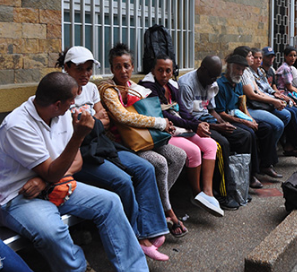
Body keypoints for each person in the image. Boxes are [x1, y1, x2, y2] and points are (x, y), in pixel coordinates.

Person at [0, 72, 149, 272]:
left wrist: (45, 181)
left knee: (110, 202)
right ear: (58, 104)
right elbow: (53, 171)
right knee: (51, 232)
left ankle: (134, 269)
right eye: (71, 102)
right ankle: (78, 268)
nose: (74, 106)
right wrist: (78, 136)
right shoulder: (17, 126)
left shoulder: (59, 114)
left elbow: (76, 162)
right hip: (19, 195)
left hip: (54, 182)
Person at [57, 46, 173, 261]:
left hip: (102, 144)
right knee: (123, 180)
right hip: (80, 151)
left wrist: (90, 122)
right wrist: (94, 121)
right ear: (67, 68)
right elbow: (70, 130)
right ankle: (135, 238)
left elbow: (105, 120)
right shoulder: (61, 91)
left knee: (146, 168)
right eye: (80, 69)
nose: (85, 74)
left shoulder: (91, 89)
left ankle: (152, 230)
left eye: (89, 69)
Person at [98, 43, 192, 236]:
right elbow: (123, 117)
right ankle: (168, 211)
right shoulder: (108, 90)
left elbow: (151, 111)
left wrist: (166, 124)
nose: (123, 71)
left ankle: (156, 206)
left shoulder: (137, 88)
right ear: (111, 68)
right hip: (125, 144)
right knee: (159, 162)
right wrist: (159, 122)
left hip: (146, 138)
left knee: (179, 155)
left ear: (133, 67)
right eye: (118, 66)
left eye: (127, 66)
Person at [139, 55, 224, 217]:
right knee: (192, 151)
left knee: (211, 144)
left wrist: (197, 123)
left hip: (181, 128)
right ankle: (196, 193)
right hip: (165, 131)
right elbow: (163, 114)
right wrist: (194, 125)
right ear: (153, 70)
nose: (164, 74)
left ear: (173, 72)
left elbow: (183, 111)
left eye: (168, 71)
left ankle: (207, 193)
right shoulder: (147, 87)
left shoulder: (173, 86)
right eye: (160, 70)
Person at [178, 55, 257, 192]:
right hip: (195, 124)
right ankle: (222, 190)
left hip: (209, 120)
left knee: (244, 135)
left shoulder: (211, 81)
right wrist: (217, 127)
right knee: (222, 143)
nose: (214, 81)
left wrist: (223, 123)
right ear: (202, 70)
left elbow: (212, 110)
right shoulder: (186, 84)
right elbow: (186, 118)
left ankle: (243, 180)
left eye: (216, 77)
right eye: (212, 77)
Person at [215, 54, 281, 181]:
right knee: (248, 133)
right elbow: (221, 114)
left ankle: (266, 165)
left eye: (242, 70)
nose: (240, 73)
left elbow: (242, 104)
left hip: (239, 115)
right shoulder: (220, 84)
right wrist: (245, 122)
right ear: (229, 68)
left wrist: (251, 119)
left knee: (266, 128)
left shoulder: (238, 82)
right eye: (237, 69)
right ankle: (251, 174)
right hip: (227, 119)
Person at [234, 46, 287, 178]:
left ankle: (267, 156)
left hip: (254, 104)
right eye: (251, 56)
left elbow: (259, 91)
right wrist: (273, 101)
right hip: (247, 108)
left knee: (285, 116)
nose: (254, 59)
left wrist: (275, 99)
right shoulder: (242, 72)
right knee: (277, 124)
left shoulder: (250, 72)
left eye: (256, 57)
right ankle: (266, 156)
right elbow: (250, 96)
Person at [250, 48, 297, 157]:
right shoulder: (249, 74)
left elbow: (271, 88)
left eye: (260, 57)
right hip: (259, 104)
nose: (258, 60)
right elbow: (256, 93)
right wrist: (275, 99)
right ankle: (276, 148)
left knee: (296, 111)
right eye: (256, 57)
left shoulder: (265, 71)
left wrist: (279, 96)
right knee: (289, 114)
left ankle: (289, 144)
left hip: (270, 99)